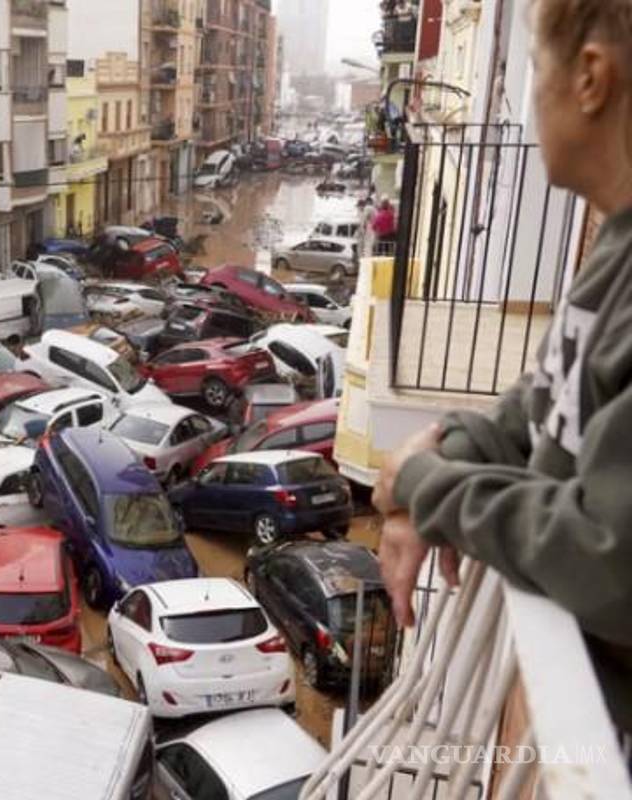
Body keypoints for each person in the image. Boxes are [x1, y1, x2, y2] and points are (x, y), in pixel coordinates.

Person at [372, 0, 632, 732]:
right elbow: (546, 397)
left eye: (536, 66)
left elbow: (612, 561)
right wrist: (446, 456)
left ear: (590, 77)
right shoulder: (616, 243)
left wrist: (426, 486)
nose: (528, 96)